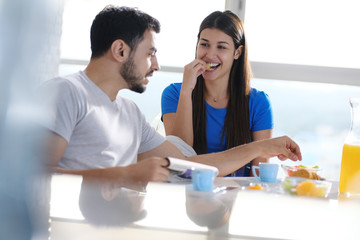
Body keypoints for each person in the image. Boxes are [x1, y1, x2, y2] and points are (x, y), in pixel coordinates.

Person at [41, 5, 301, 191]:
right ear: (120, 50)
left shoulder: (130, 113)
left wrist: (261, 147)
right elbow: (33, 177)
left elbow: (186, 164)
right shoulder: (66, 92)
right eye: (150, 53)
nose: (156, 65)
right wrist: (125, 174)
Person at [161, 10, 273, 177]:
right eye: (204, 44)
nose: (210, 55)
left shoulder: (259, 103)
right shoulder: (174, 94)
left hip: (237, 195)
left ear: (237, 52)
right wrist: (186, 91)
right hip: (189, 189)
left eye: (221, 47)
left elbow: (259, 175)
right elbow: (179, 156)